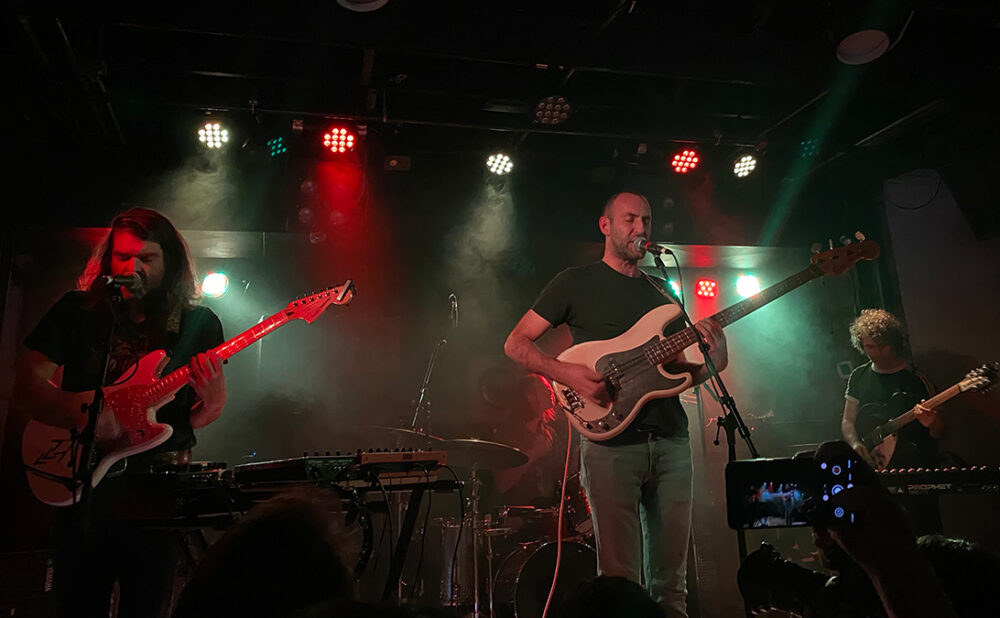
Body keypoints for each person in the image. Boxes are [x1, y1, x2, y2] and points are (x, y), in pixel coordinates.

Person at [504, 192, 728, 617]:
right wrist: (563, 372)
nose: (640, 228)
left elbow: (677, 376)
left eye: (646, 219)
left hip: (671, 443)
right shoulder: (574, 282)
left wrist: (714, 362)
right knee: (619, 584)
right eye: (630, 219)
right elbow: (515, 344)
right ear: (605, 225)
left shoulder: (663, 293)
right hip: (610, 449)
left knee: (672, 587)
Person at [13, 207, 227, 617]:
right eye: (124, 257)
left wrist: (213, 405)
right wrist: (81, 412)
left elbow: (191, 418)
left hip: (157, 495)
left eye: (147, 259)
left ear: (170, 262)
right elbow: (26, 384)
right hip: (82, 485)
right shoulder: (78, 311)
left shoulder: (199, 324)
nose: (133, 267)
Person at [839, 308, 943, 534]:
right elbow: (847, 421)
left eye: (881, 345)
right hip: (875, 477)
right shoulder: (859, 376)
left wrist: (931, 423)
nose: (876, 352)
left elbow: (939, 432)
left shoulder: (916, 379)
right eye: (869, 347)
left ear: (893, 342)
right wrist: (856, 445)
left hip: (914, 476)